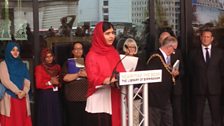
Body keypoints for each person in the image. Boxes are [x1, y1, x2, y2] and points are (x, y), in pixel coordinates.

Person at [85, 21, 125, 126]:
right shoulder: (91, 55)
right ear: (99, 35)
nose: (111, 36)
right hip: (99, 102)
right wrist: (105, 79)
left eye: (113, 32)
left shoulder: (114, 52)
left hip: (114, 97)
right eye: (107, 33)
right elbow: (92, 78)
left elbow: (122, 71)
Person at [189, 28, 224, 126]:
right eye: (204, 36)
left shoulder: (220, 53)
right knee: (197, 116)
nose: (205, 39)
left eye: (208, 37)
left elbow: (222, 71)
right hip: (199, 88)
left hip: (215, 89)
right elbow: (191, 71)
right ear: (200, 38)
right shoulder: (193, 53)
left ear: (212, 38)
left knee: (216, 116)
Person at [146, 36, 179, 126]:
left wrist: (172, 73)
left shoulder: (164, 58)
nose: (174, 52)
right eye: (174, 49)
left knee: (168, 122)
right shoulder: (155, 58)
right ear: (169, 47)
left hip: (165, 99)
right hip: (155, 101)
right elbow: (153, 80)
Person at [0, 42, 32, 126]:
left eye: (17, 50)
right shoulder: (3, 64)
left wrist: (24, 91)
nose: (15, 52)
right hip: (10, 98)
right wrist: (17, 92)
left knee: (22, 120)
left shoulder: (22, 65)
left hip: (22, 98)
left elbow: (27, 80)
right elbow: (5, 80)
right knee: (11, 121)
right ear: (8, 51)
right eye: (13, 50)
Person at [159, 31, 184, 126]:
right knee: (164, 115)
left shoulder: (177, 52)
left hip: (175, 88)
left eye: (168, 39)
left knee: (177, 114)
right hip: (162, 90)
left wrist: (177, 73)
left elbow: (184, 70)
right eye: (164, 40)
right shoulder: (156, 54)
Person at [61, 42, 88, 126]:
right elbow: (65, 78)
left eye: (80, 49)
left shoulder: (88, 62)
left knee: (86, 121)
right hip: (72, 98)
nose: (78, 51)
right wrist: (78, 74)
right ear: (72, 51)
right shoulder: (67, 63)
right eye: (76, 49)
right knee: (74, 121)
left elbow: (95, 77)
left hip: (86, 97)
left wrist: (87, 74)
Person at [35, 48, 62, 126]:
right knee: (47, 116)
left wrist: (58, 82)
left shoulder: (57, 67)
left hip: (56, 94)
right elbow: (38, 84)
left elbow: (60, 81)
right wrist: (50, 82)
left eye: (51, 56)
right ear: (43, 58)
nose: (49, 58)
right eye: (47, 57)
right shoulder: (39, 68)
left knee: (55, 115)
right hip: (46, 95)